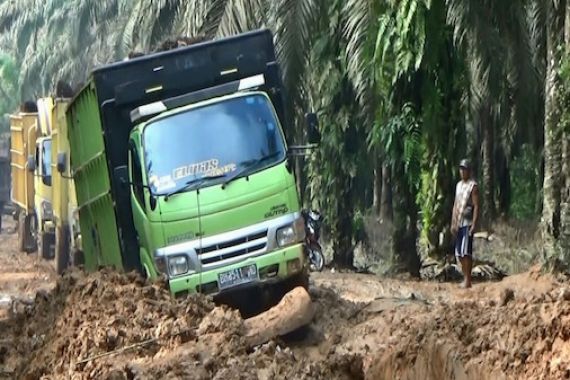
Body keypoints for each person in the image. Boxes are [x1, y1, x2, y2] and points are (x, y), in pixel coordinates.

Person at [451, 159, 479, 288]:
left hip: (467, 221)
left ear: (469, 171)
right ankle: (465, 277)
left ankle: (468, 280)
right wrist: (453, 222)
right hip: (459, 221)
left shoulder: (473, 186)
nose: (462, 172)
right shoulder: (458, 185)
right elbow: (456, 204)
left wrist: (474, 224)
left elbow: (476, 205)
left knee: (466, 252)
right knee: (459, 253)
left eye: (464, 169)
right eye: (461, 169)